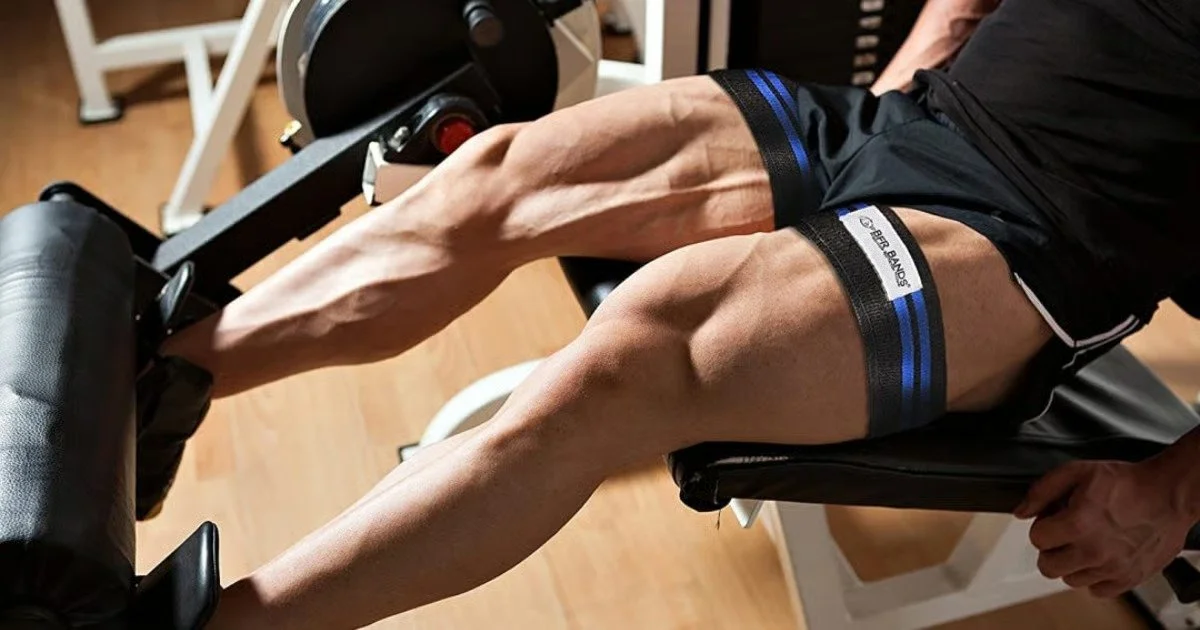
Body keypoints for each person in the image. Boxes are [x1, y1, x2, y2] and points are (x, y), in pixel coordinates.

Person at [132, 0, 1200, 626]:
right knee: (495, 177)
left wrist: (1168, 495)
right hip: (906, 120)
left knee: (638, 357)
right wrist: (913, 82)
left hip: (1028, 241)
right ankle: (142, 395)